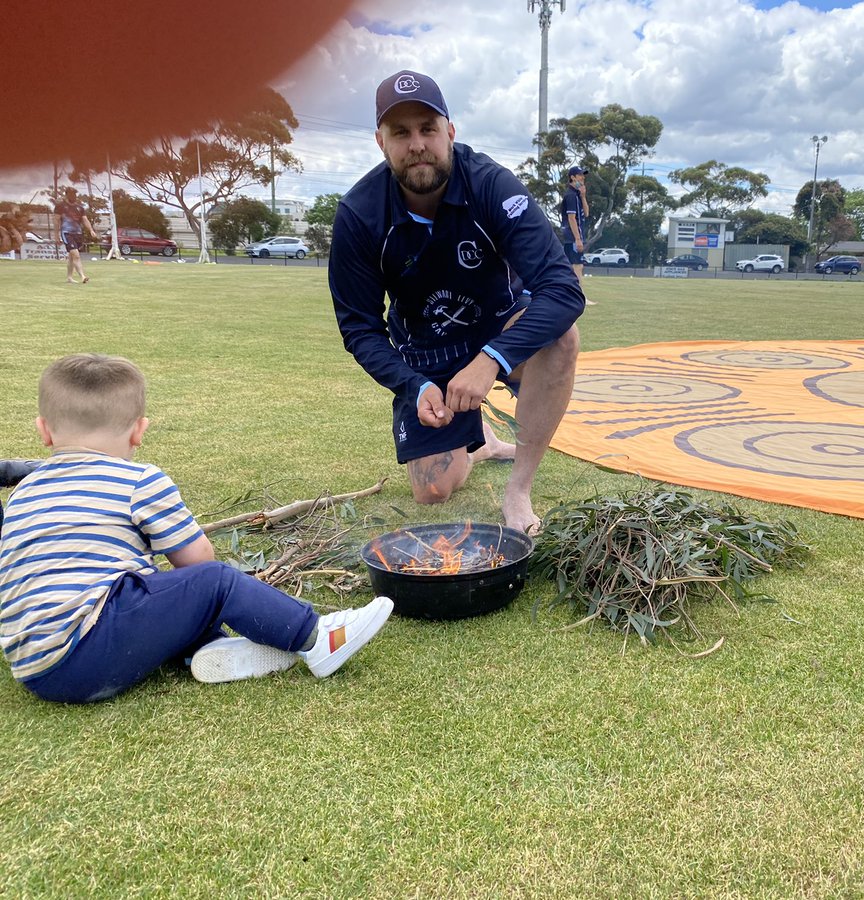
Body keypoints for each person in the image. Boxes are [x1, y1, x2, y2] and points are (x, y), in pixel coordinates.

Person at [0, 354, 394, 704]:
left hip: (34, 667)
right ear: (139, 430)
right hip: (85, 655)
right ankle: (318, 639)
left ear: (44, 430)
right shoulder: (139, 482)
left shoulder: (23, 492)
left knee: (146, 586)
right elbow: (199, 562)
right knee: (213, 581)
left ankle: (207, 651)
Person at [329, 70, 586, 535]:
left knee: (562, 338)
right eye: (401, 133)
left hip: (498, 329)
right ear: (380, 142)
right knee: (432, 492)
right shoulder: (359, 215)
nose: (417, 144)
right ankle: (481, 440)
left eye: (428, 128)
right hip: (426, 354)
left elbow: (563, 289)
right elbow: (359, 328)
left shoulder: (491, 185)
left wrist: (492, 358)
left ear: (450, 131)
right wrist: (414, 386)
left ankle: (518, 489)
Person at [560, 165, 595, 303]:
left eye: (583, 175)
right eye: (580, 175)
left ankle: (569, 296)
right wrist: (578, 239)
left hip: (575, 237)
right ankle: (580, 298)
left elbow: (586, 213)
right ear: (573, 177)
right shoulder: (570, 196)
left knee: (573, 267)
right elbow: (571, 218)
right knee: (577, 267)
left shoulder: (577, 195)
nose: (583, 177)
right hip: (572, 237)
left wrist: (584, 196)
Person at [53, 187, 99, 284]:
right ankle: (82, 276)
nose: (73, 196)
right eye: (71, 194)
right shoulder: (60, 206)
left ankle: (69, 277)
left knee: (71, 256)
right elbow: (56, 221)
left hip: (78, 233)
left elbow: (85, 220)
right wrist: (56, 235)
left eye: (74, 194)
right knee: (76, 255)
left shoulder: (80, 207)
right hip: (66, 233)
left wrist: (91, 230)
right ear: (67, 195)